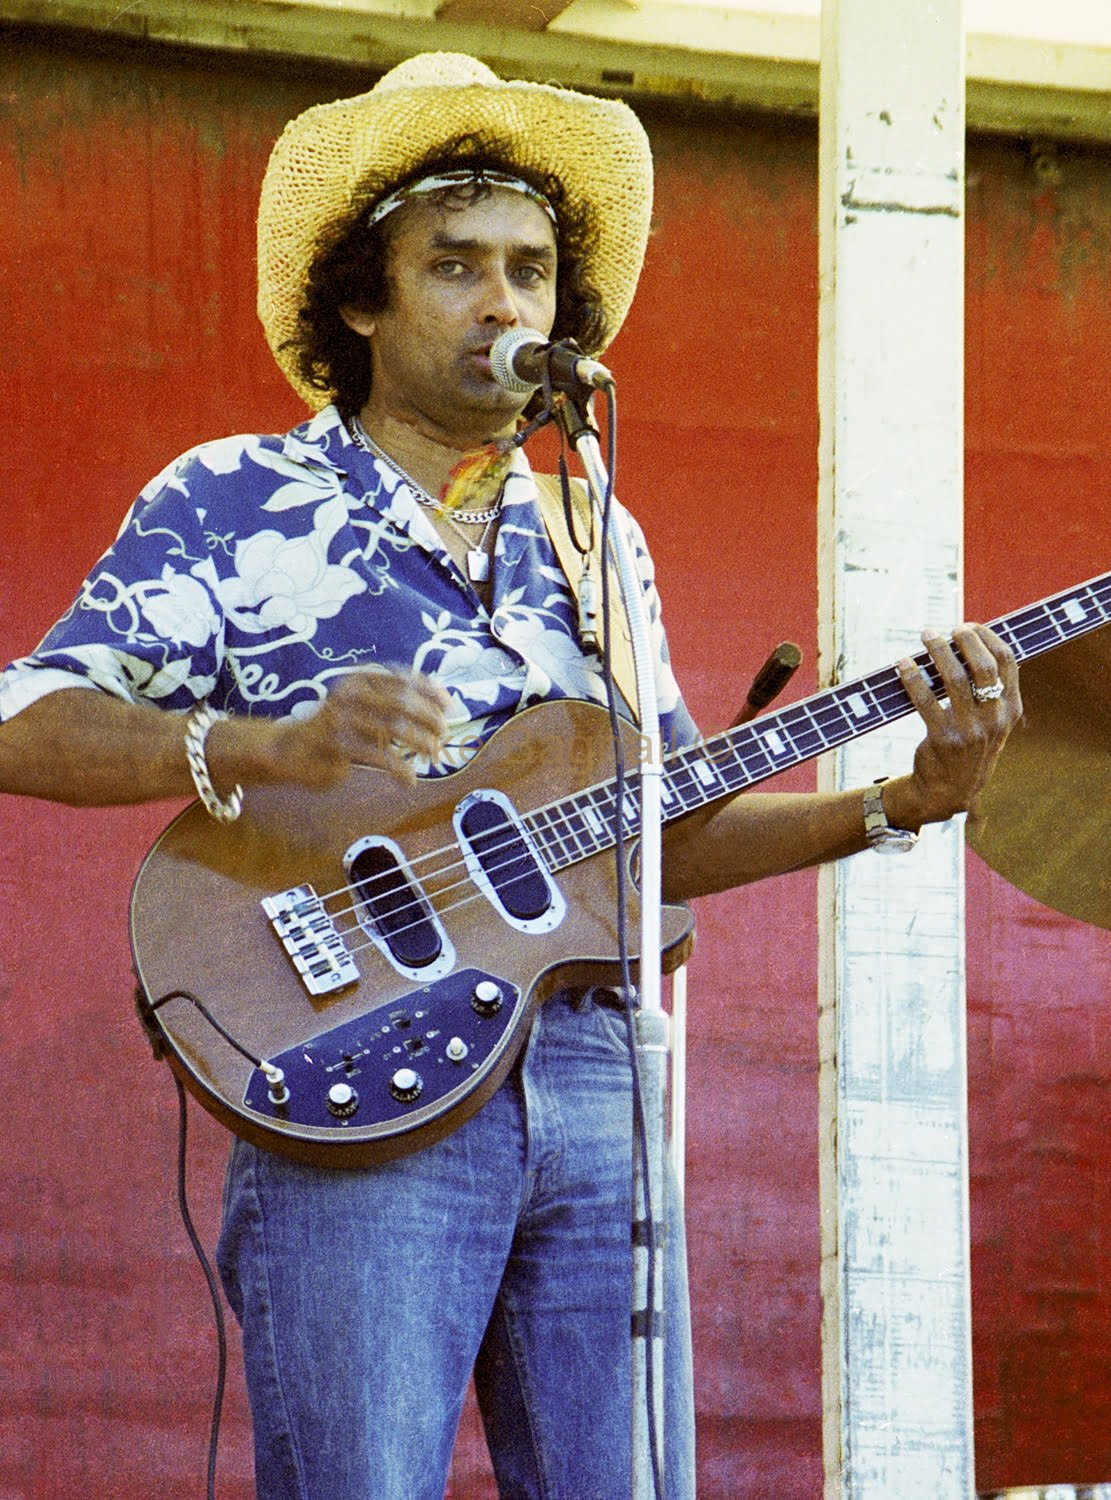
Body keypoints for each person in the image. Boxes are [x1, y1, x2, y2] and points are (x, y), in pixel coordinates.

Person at [0, 51, 1020, 1500]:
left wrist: (898, 804)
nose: (506, 305)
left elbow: (656, 836)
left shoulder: (595, 527)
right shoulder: (232, 502)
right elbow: (22, 718)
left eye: (534, 273)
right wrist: (251, 747)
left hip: (596, 1063)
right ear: (362, 297)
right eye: (458, 266)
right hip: (342, 1057)